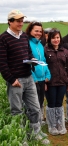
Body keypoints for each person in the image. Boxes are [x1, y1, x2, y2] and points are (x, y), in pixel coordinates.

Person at [0, 9, 50, 144]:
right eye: (18, 21)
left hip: (28, 77)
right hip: (16, 80)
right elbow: (2, 62)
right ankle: (20, 138)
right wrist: (11, 79)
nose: (21, 23)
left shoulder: (23, 36)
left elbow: (28, 53)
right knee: (16, 111)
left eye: (22, 20)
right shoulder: (3, 38)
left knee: (35, 108)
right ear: (10, 22)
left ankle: (36, 133)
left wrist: (32, 60)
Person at [44, 28, 68, 135]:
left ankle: (60, 124)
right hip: (50, 82)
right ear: (49, 39)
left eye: (57, 37)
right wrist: (44, 82)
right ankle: (52, 125)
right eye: (53, 38)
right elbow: (43, 67)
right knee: (51, 103)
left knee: (59, 103)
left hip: (62, 82)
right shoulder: (45, 50)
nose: (56, 40)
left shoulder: (65, 51)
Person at [25, 21, 51, 125]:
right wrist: (34, 77)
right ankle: (31, 125)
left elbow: (43, 61)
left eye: (40, 31)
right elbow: (28, 62)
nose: (38, 33)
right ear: (30, 31)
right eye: (36, 31)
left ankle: (39, 121)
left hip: (42, 79)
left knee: (40, 101)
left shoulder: (40, 44)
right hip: (33, 79)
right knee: (32, 104)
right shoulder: (27, 43)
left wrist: (47, 74)